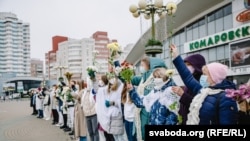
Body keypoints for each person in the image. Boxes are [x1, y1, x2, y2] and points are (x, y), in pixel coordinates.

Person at [170, 44, 238, 124]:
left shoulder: (226, 98)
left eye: (205, 74)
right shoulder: (204, 91)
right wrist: (176, 56)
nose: (203, 76)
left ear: (214, 77)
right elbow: (187, 77)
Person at [130, 56, 166, 140]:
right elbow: (131, 80)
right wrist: (122, 71)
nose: (141, 67)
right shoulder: (143, 78)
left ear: (149, 65)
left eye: (142, 65)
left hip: (149, 117)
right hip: (141, 116)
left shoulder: (156, 80)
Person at [171, 54, 206, 125]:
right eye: (185, 65)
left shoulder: (202, 82)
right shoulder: (188, 82)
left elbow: (199, 104)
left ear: (197, 65)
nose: (186, 67)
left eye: (189, 64)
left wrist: (182, 94)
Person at [96, 75, 115, 141]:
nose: (99, 81)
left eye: (100, 79)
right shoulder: (101, 89)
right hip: (102, 114)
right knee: (106, 135)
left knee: (110, 135)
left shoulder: (107, 88)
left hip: (108, 114)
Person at [81, 77, 99, 141]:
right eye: (86, 82)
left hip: (93, 114)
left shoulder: (93, 91)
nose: (87, 84)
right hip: (87, 115)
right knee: (90, 132)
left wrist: (93, 78)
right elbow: (82, 102)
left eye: (88, 82)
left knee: (95, 131)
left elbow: (95, 87)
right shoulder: (84, 92)